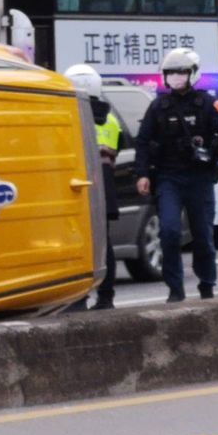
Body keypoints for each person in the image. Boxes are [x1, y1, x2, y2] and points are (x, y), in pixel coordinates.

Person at [135, 48, 218, 303]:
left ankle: (206, 285)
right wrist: (142, 174)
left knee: (203, 236)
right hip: (168, 179)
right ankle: (175, 289)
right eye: (171, 72)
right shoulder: (158, 106)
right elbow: (142, 142)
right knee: (169, 232)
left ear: (193, 74)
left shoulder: (208, 104)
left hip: (199, 178)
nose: (176, 77)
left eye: (181, 72)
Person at [65, 64, 121, 310]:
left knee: (78, 245)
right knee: (103, 245)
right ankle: (106, 297)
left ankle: (79, 298)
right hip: (103, 190)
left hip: (76, 188)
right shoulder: (111, 120)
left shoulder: (70, 115)